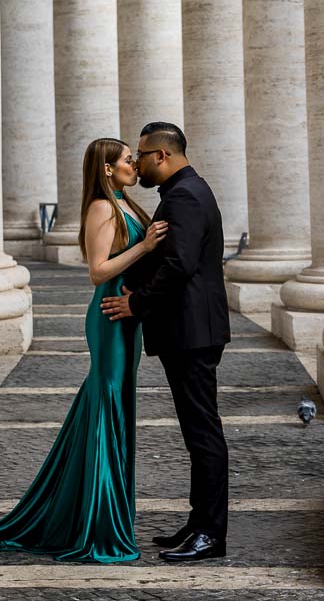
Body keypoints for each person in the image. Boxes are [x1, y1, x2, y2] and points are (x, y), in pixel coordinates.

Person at [0, 137, 168, 563]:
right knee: (107, 403)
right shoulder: (101, 207)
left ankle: (104, 512)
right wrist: (144, 246)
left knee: (113, 405)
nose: (135, 165)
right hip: (109, 316)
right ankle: (97, 522)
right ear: (108, 169)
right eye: (129, 160)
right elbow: (97, 272)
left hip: (127, 319)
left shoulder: (125, 202)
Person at [101, 121, 230, 562]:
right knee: (198, 433)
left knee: (203, 433)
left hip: (192, 333)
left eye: (141, 154)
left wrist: (136, 304)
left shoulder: (186, 196)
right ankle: (199, 524)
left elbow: (178, 265)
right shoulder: (184, 192)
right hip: (189, 330)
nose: (137, 162)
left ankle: (210, 533)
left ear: (162, 156)